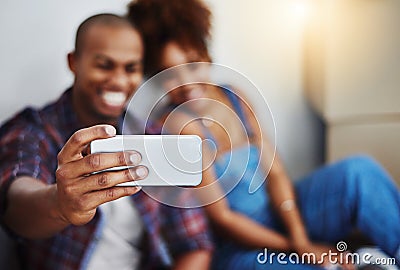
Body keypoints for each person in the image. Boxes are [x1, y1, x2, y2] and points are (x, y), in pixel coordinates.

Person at [127, 1, 400, 269]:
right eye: (169, 75)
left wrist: (300, 237)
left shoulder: (234, 97)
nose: (186, 84)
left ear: (207, 56)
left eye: (193, 64)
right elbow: (223, 219)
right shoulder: (174, 125)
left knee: (358, 172)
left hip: (282, 218)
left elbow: (276, 173)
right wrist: (298, 249)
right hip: (238, 247)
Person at [0, 13, 213, 270]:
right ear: (74, 62)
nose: (119, 81)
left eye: (131, 68)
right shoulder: (32, 129)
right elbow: (14, 203)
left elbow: (194, 243)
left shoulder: (155, 137)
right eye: (104, 65)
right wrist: (59, 204)